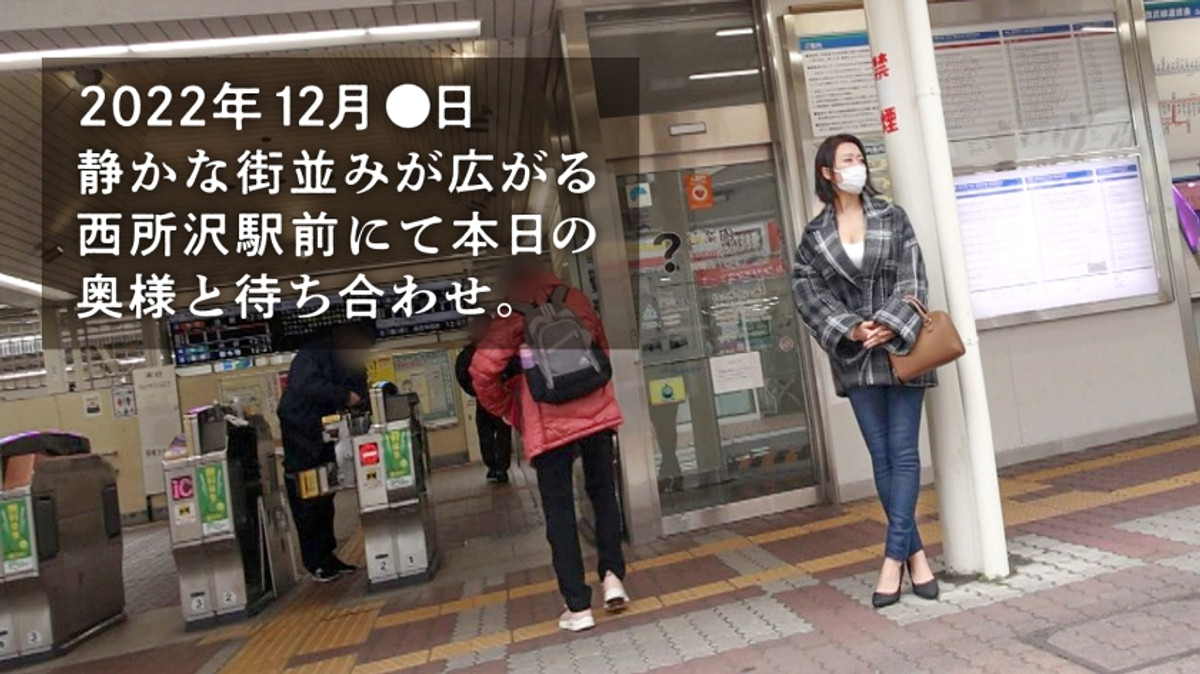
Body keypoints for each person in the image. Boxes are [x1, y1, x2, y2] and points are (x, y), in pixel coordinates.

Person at [791, 133, 940, 608]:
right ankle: (916, 556)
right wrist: (853, 329)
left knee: (904, 454)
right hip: (855, 356)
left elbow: (914, 278)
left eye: (860, 157)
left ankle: (893, 560)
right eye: (847, 159)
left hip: (902, 349)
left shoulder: (893, 217)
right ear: (827, 172)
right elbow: (807, 293)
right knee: (882, 458)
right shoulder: (814, 236)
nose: (857, 165)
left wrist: (890, 323)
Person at [469, 261, 629, 633]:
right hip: (595, 410)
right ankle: (612, 577)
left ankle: (578, 606)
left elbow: (481, 370)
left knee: (559, 512)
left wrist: (508, 407)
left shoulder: (511, 312)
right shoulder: (575, 297)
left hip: (548, 420)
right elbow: (601, 348)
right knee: (603, 495)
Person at [277, 322, 373, 582]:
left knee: (325, 498)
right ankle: (315, 562)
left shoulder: (346, 359)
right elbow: (305, 385)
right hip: (301, 436)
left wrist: (359, 398)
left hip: (326, 437)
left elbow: (359, 386)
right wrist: (344, 396)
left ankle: (328, 555)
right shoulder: (313, 353)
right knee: (308, 501)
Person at [455, 315, 518, 484]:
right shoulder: (501, 348)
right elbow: (515, 368)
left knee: (486, 433)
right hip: (500, 398)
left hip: (485, 399)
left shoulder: (469, 353)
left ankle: (494, 467)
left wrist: (475, 390)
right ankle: (500, 468)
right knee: (501, 433)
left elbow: (462, 375)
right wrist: (507, 386)